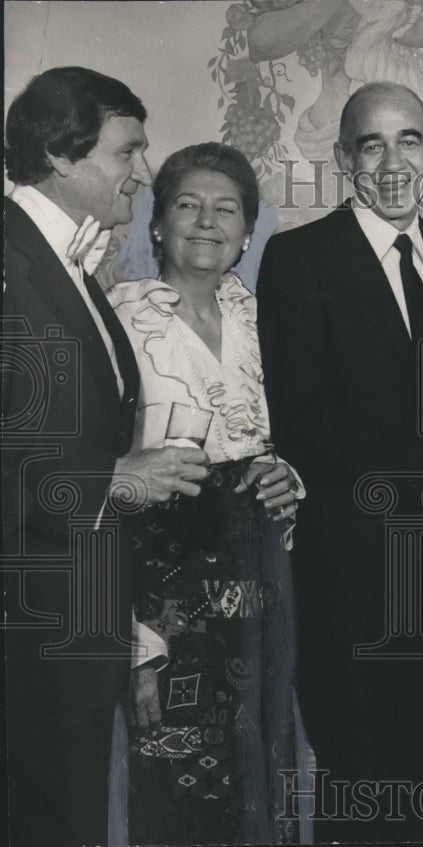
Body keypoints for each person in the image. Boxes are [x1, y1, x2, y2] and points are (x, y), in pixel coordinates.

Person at [256, 81, 423, 842]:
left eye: (410, 139)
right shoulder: (297, 258)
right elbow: (302, 420)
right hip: (345, 568)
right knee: (357, 783)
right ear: (342, 158)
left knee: (417, 774)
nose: (393, 160)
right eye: (371, 143)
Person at [2, 66, 211, 847]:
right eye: (128, 152)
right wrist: (114, 479)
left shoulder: (72, 268)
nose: (143, 174)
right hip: (27, 641)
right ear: (60, 153)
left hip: (76, 638)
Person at [108, 142, 302, 845]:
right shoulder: (118, 317)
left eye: (227, 210)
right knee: (174, 777)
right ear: (157, 224)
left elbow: (289, 439)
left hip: (258, 584)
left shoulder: (262, 320)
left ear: (247, 232)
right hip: (162, 584)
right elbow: (103, 475)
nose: (206, 222)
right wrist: (139, 638)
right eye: (187, 205)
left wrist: (291, 478)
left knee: (261, 765)